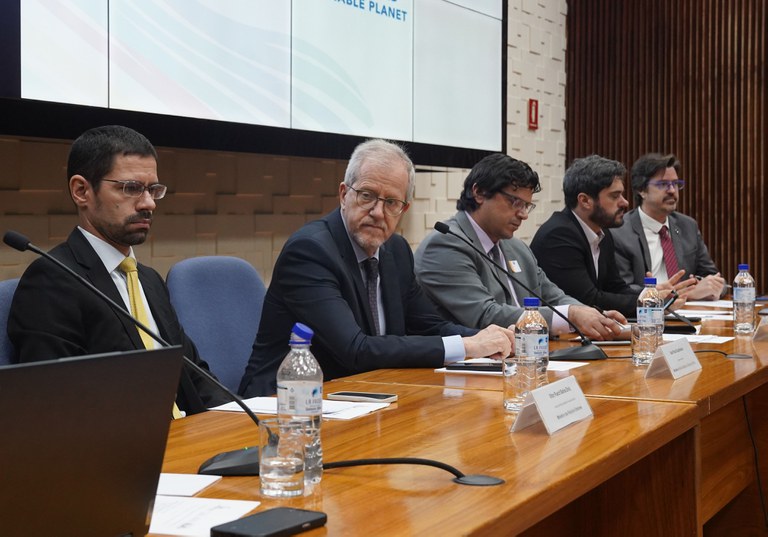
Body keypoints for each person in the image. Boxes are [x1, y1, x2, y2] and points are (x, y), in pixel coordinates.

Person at [238, 139, 515, 397]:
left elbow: (430, 326)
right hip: (286, 405)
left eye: (391, 202)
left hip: (367, 394)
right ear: (344, 194)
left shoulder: (396, 250)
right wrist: (467, 347)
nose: (378, 212)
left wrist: (489, 338)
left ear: (403, 210)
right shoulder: (310, 252)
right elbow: (355, 350)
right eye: (367, 195)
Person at [8, 125, 227, 415]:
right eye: (131, 188)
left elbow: (194, 375)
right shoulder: (52, 281)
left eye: (153, 190)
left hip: (189, 440)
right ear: (81, 191)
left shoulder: (148, 280)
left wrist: (245, 431)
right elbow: (56, 408)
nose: (148, 203)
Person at [414, 153, 626, 340]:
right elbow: (485, 315)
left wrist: (592, 315)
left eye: (526, 205)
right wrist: (571, 315)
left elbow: (553, 296)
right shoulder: (446, 244)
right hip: (469, 370)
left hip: (530, 356)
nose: (523, 214)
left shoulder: (516, 247)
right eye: (515, 202)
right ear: (479, 193)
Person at [530, 155, 693, 318]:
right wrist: (647, 302)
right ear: (585, 200)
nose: (625, 203)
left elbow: (615, 287)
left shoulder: (603, 232)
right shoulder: (559, 236)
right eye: (615, 196)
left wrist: (650, 295)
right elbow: (587, 299)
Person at [611, 153, 725, 300]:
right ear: (641, 190)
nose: (672, 190)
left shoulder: (687, 226)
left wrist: (711, 286)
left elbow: (714, 278)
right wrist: (680, 295)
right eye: (663, 184)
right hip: (646, 316)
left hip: (691, 314)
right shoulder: (620, 232)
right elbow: (622, 289)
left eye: (675, 184)